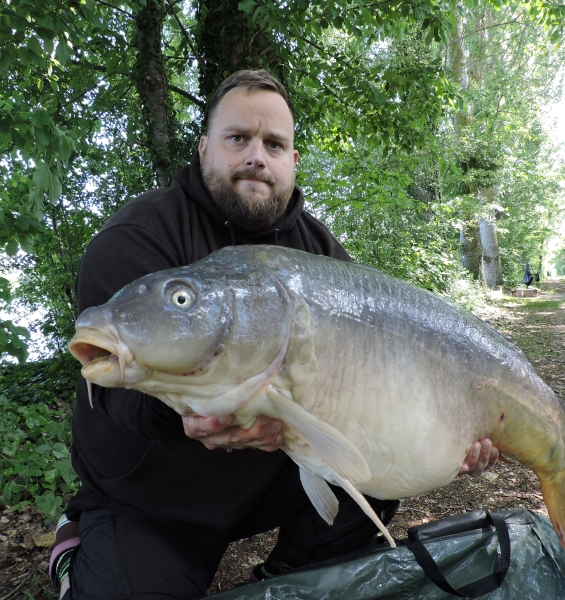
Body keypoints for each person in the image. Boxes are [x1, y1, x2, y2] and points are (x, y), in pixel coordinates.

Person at [52, 70, 499, 600]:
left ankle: (289, 568)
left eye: (273, 144)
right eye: (237, 138)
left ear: (291, 161)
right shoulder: (139, 236)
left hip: (270, 480)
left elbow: (380, 371)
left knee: (373, 474)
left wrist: (457, 431)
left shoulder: (319, 251)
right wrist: (178, 417)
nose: (255, 157)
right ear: (204, 149)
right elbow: (105, 387)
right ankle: (76, 546)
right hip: (153, 498)